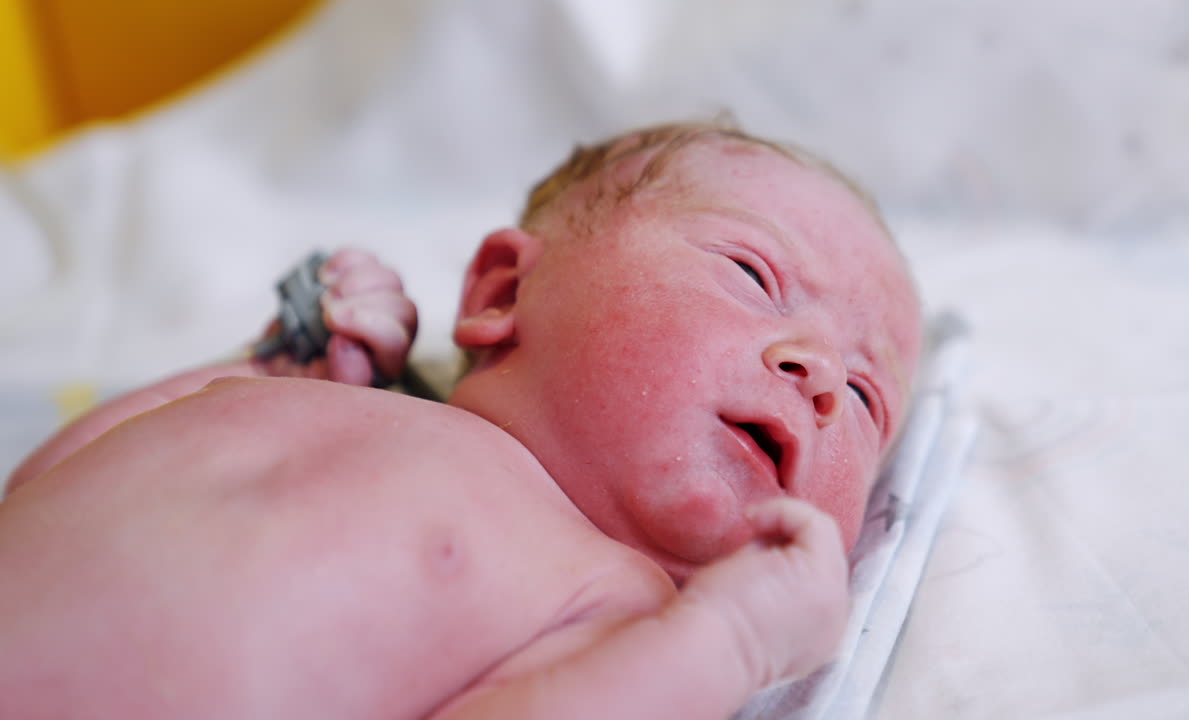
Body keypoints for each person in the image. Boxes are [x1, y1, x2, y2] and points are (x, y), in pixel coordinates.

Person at [0, 121, 922, 719]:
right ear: (501, 291)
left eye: (870, 400)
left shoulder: (615, 608)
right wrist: (259, 370)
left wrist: (733, 640)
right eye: (753, 275)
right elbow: (52, 489)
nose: (822, 378)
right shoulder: (329, 401)